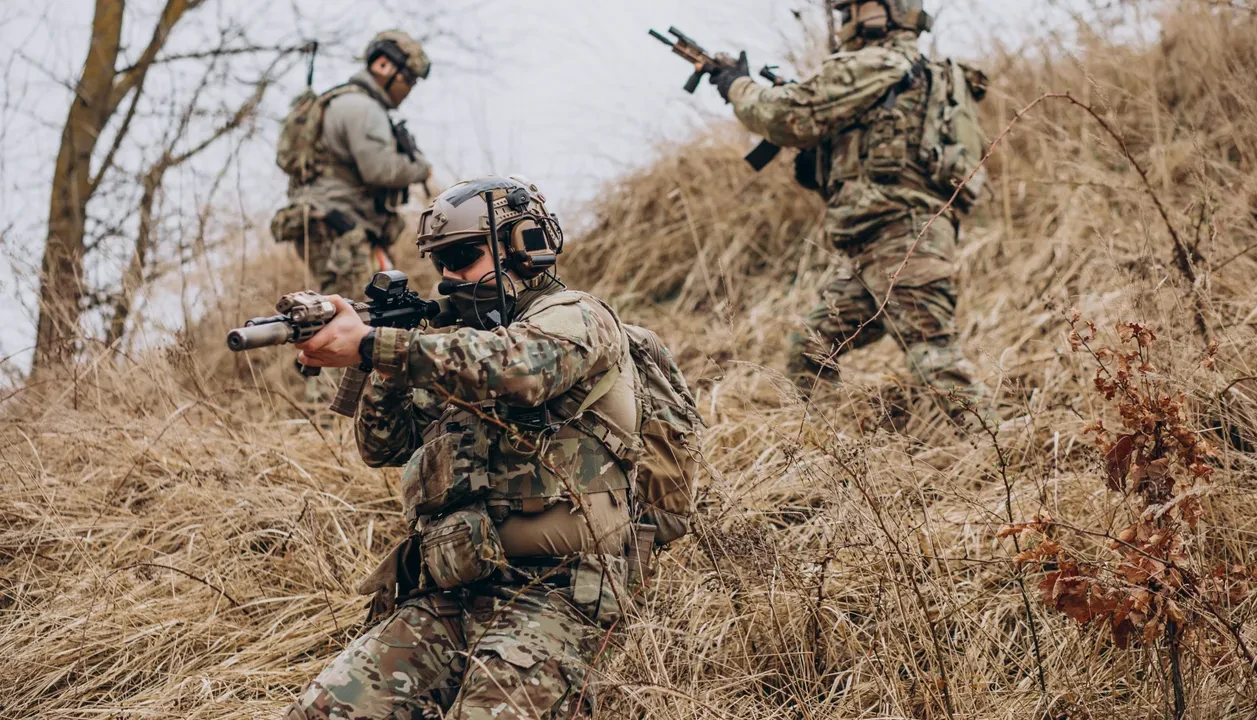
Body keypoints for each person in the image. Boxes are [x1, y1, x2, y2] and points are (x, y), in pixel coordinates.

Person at [281, 176, 645, 719]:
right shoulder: (446, 347)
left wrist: (379, 344)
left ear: (525, 244)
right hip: (451, 594)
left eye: (463, 256)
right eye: (440, 262)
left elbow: (520, 368)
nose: (450, 276)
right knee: (325, 712)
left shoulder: (577, 316)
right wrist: (377, 360)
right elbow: (383, 446)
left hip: (562, 592)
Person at [708, 0, 990, 406]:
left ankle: (1004, 456)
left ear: (883, 12)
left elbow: (788, 115)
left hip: (901, 239)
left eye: (850, 11)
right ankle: (826, 450)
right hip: (875, 243)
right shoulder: (919, 73)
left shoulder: (878, 63)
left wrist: (737, 85)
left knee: (938, 362)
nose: (844, 22)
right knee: (810, 348)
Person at [272, 30, 435, 301]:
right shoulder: (363, 107)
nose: (408, 88)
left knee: (362, 311)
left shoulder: (343, 101)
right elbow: (380, 169)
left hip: (331, 222)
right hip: (341, 226)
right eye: (408, 79)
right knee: (360, 316)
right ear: (383, 65)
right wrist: (421, 168)